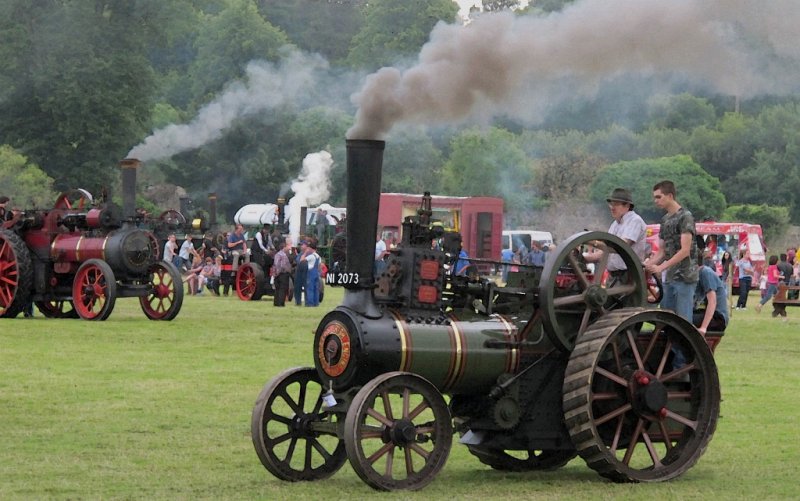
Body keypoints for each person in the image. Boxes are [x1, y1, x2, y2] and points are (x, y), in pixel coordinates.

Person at [645, 180, 699, 322]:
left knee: (683, 322)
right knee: (667, 320)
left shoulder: (685, 217)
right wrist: (647, 266)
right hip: (670, 277)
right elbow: (662, 251)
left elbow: (685, 251)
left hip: (685, 277)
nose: (655, 201)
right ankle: (671, 345)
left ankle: (683, 345)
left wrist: (661, 267)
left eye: (659, 197)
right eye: (654, 197)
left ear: (670, 196)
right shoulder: (664, 220)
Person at [584, 187, 647, 286]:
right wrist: (586, 257)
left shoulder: (635, 221)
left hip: (628, 275)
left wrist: (593, 242)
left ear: (627, 205)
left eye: (616, 204)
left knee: (625, 301)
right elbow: (606, 250)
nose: (612, 208)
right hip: (613, 276)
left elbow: (622, 245)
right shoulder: (615, 224)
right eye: (611, 204)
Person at [693, 253, 729, 335]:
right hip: (709, 314)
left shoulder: (706, 273)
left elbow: (712, 302)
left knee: (684, 321)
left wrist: (703, 328)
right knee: (682, 317)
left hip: (718, 318)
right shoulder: (697, 275)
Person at [272, 238, 293, 306]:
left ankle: (276, 302)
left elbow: (276, 265)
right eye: (288, 246)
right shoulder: (283, 255)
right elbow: (281, 265)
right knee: (282, 289)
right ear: (284, 247)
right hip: (282, 274)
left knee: (278, 289)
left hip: (277, 274)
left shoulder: (278, 254)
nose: (290, 248)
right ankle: (281, 303)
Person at [303, 240, 321, 306]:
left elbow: (302, 260)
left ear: (311, 248)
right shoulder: (318, 257)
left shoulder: (311, 256)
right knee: (316, 289)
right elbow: (319, 267)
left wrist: (305, 253)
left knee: (310, 288)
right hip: (316, 272)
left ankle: (310, 303)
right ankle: (316, 303)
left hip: (311, 273)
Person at [294, 240, 308, 306]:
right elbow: (297, 261)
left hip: (305, 271)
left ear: (306, 246)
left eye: (302, 245)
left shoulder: (308, 254)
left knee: (306, 287)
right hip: (298, 271)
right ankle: (298, 301)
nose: (301, 246)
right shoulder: (300, 253)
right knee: (297, 287)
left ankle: (307, 301)